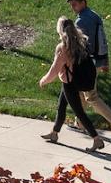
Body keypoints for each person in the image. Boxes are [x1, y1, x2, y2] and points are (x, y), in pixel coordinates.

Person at [38, 16, 106, 151]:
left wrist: (43, 81)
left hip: (70, 83)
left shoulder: (63, 47)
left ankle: (96, 139)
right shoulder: (80, 42)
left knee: (79, 112)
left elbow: (54, 70)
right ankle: (54, 133)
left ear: (59, 30)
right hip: (74, 80)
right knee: (61, 106)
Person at [70, 0, 111, 139]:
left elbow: (81, 46)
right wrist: (104, 61)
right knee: (81, 92)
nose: (73, 8)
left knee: (91, 97)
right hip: (96, 61)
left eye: (75, 4)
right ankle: (80, 123)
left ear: (83, 2)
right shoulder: (95, 16)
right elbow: (102, 41)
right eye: (71, 5)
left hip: (87, 63)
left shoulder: (81, 21)